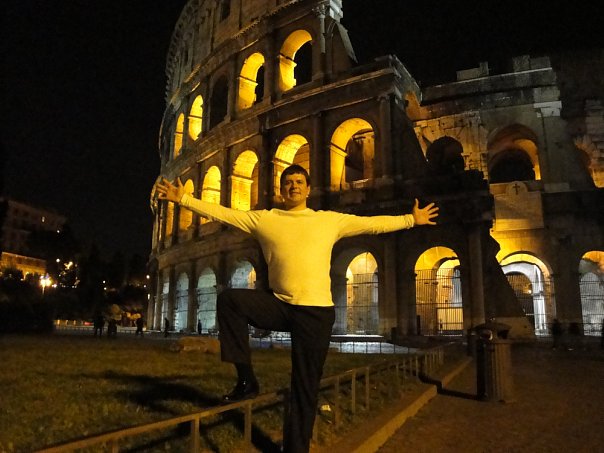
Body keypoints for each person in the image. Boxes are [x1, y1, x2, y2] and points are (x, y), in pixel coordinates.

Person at [155, 164, 438, 453]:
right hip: (280, 305)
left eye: (299, 182)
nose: (294, 186)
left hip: (316, 313)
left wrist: (411, 219)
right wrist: (183, 199)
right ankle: (247, 379)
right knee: (230, 300)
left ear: (307, 188)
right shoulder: (265, 219)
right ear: (281, 189)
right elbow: (224, 214)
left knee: (304, 386)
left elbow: (371, 224)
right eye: (288, 182)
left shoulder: (327, 220)